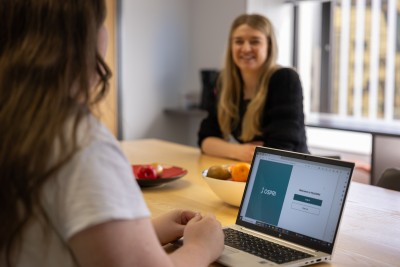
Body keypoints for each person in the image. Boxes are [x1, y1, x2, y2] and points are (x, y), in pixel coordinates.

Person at [0, 1, 224, 267]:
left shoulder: (19, 124)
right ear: (82, 38)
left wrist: (142, 234)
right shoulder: (81, 145)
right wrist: (202, 246)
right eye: (100, 23)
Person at [198, 14, 309, 162]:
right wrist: (241, 151)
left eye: (255, 41)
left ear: (269, 45)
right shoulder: (223, 81)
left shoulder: (285, 79)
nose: (246, 48)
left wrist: (225, 148)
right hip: (250, 168)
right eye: (238, 41)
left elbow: (279, 151)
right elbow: (205, 141)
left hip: (292, 171)